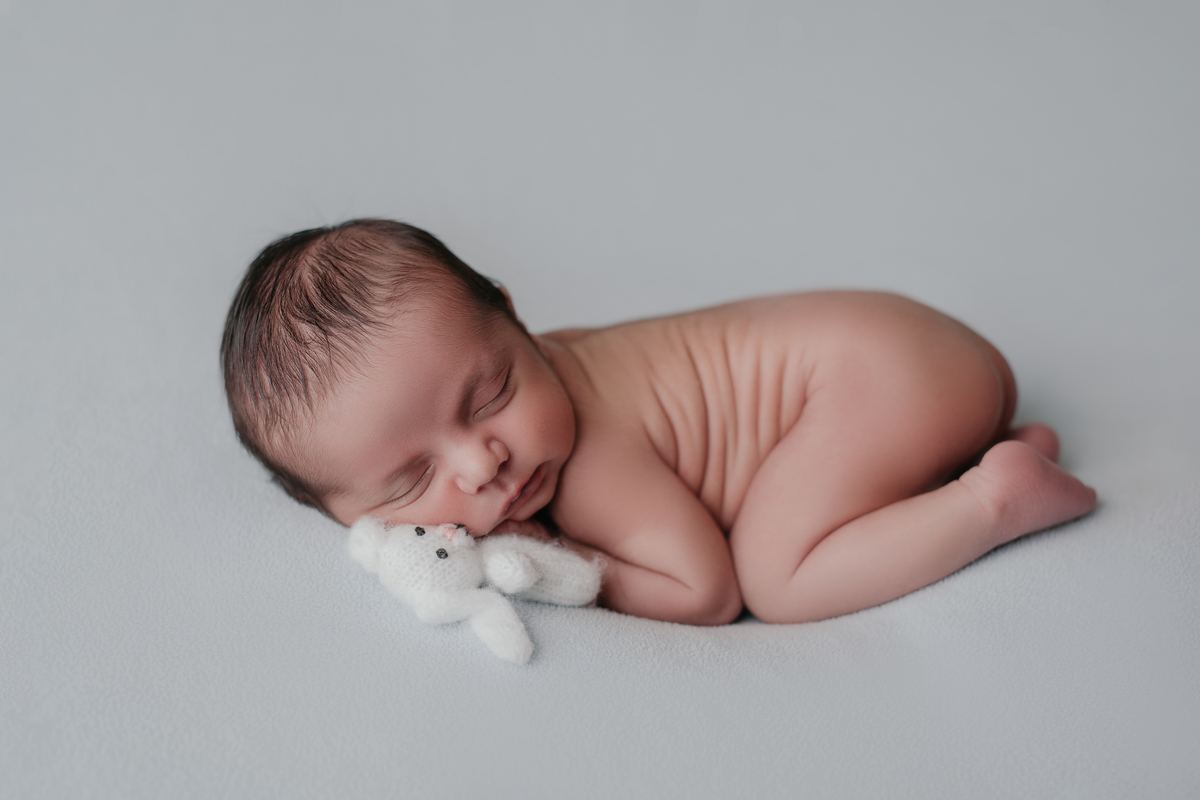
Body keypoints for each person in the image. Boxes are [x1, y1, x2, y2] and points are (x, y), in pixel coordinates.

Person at [221, 219, 1096, 625]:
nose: (484, 461)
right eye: (415, 480)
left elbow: (703, 591)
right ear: (347, 517)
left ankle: (992, 498)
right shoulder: (540, 392)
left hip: (881, 378)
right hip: (919, 360)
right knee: (805, 493)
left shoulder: (588, 458)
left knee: (776, 575)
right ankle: (958, 462)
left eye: (490, 396)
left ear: (518, 322)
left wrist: (553, 560)